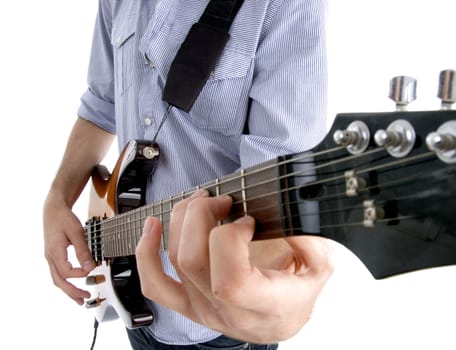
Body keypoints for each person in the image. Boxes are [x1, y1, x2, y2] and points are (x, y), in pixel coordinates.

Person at [43, 0, 333, 349]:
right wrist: (58, 199)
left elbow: (279, 185)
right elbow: (102, 104)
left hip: (219, 326)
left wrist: (283, 283)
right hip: (134, 307)